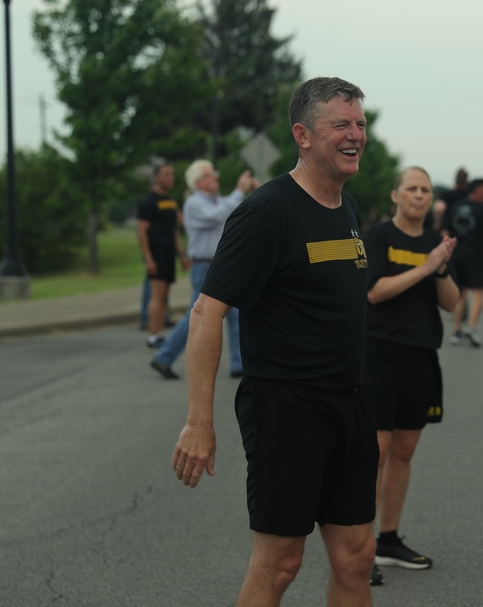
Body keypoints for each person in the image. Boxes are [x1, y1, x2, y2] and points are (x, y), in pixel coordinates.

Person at [171, 77, 378, 606]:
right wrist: (199, 420)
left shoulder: (345, 207)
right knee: (281, 563)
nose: (356, 134)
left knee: (356, 558)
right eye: (341, 125)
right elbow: (205, 312)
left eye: (360, 123)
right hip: (287, 409)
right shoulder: (268, 212)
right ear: (303, 135)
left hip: (349, 404)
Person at [363, 166, 459, 586]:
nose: (419, 195)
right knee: (376, 452)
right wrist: (425, 266)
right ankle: (359, 549)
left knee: (404, 451)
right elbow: (374, 291)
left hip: (422, 356)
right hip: (380, 353)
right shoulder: (378, 238)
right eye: (412, 189)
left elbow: (451, 304)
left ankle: (388, 539)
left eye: (425, 189)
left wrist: (440, 269)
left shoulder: (434, 245)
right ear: (395, 196)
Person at [149, 160, 257, 380]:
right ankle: (164, 357)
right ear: (199, 182)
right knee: (197, 315)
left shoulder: (216, 200)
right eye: (211, 175)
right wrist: (239, 190)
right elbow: (216, 215)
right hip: (204, 266)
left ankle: (239, 364)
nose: (216, 177)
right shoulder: (194, 203)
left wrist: (252, 191)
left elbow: (235, 209)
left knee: (236, 314)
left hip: (220, 264)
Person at [136, 163, 188, 349]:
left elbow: (175, 229)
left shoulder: (170, 202)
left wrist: (181, 254)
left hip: (168, 254)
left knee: (165, 294)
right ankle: (153, 335)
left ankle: (159, 332)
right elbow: (141, 231)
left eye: (172, 175)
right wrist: (148, 258)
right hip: (156, 253)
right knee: (157, 294)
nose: (171, 178)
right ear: (156, 177)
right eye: (167, 175)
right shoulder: (148, 202)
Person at [446, 179, 483, 347]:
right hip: (475, 255)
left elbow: (445, 229)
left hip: (456, 254)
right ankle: (471, 326)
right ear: (477, 190)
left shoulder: (456, 206)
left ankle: (456, 331)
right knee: (478, 292)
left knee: (460, 294)